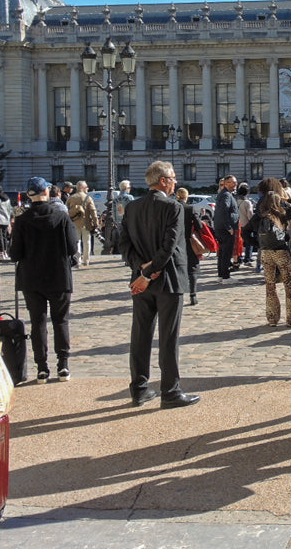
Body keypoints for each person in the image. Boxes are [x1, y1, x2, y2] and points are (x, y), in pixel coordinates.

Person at [119, 161, 200, 409]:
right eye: (173, 178)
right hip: (168, 279)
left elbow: (124, 245)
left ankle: (139, 388)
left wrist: (141, 269)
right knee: (168, 337)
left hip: (141, 281)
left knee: (140, 335)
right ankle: (170, 391)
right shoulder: (173, 207)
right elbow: (170, 245)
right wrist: (149, 272)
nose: (175, 183)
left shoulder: (132, 207)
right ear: (163, 181)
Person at [9, 176, 79, 383]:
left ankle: (41, 367)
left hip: (31, 277)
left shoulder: (22, 220)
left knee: (37, 322)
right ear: (47, 192)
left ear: (29, 195)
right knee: (61, 320)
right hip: (59, 275)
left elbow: (15, 254)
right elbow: (72, 247)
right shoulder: (61, 216)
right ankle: (63, 365)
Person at [255, 186, 291, 327]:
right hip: (281, 251)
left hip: (266, 252)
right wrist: (285, 198)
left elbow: (246, 231)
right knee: (288, 285)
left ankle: (272, 318)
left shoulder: (261, 215)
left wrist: (257, 243)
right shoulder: (282, 214)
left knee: (270, 286)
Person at [174, 187, 201, 306]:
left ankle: (177, 295)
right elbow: (199, 226)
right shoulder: (190, 208)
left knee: (176, 268)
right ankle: (193, 295)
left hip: (175, 242)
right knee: (192, 268)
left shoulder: (172, 207)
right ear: (186, 196)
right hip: (187, 241)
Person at [66, 180, 99, 267]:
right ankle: (86, 260)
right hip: (86, 223)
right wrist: (96, 222)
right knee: (87, 242)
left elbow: (67, 210)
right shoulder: (88, 198)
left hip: (74, 223)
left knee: (76, 242)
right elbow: (93, 211)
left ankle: (77, 260)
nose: (87, 188)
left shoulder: (71, 198)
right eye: (86, 187)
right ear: (82, 188)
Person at [213, 175, 239, 282]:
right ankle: (225, 276)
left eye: (236, 182)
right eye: (233, 182)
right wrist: (228, 227)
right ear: (227, 183)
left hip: (221, 227)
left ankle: (221, 275)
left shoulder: (223, 194)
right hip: (225, 229)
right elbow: (224, 210)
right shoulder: (226, 195)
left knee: (222, 252)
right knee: (226, 253)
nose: (235, 184)